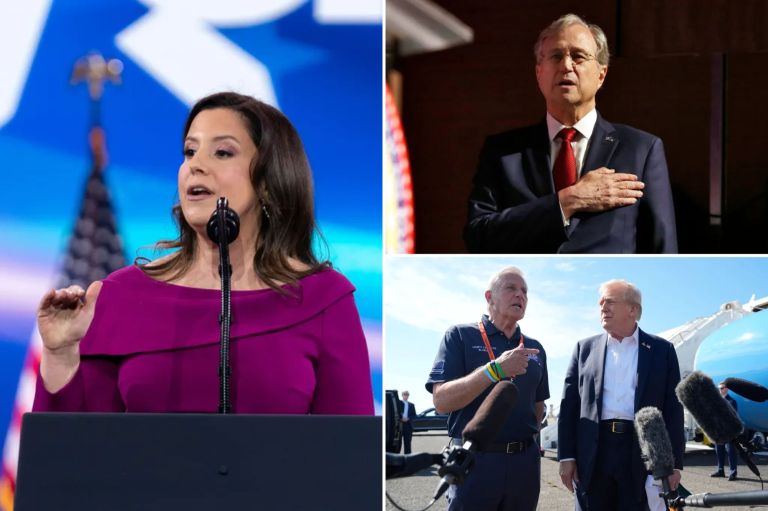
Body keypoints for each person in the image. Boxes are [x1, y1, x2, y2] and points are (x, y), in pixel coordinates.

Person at [33, 91, 374, 415]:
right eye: (190, 152)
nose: (195, 165)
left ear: (269, 181)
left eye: (222, 152)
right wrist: (60, 352)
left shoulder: (323, 299)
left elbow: (348, 455)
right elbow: (78, 451)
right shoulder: (121, 296)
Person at [464, 13, 677, 254]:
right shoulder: (503, 152)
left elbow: (663, 248)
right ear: (539, 73)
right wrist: (567, 201)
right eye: (556, 56)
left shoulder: (641, 149)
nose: (566, 66)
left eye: (578, 56)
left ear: (601, 74)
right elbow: (477, 236)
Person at [426, 267, 548, 511]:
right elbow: (441, 401)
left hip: (523, 465)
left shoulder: (535, 348)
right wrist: (494, 371)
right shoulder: (460, 336)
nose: (520, 295)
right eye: (511, 288)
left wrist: (529, 448)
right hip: (475, 463)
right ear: (489, 296)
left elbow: (538, 407)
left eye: (524, 291)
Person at [558, 280, 685, 511]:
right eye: (601, 303)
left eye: (610, 302)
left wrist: (674, 464)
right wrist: (566, 456)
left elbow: (673, 408)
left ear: (633, 310)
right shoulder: (583, 349)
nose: (603, 308)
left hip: (640, 452)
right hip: (594, 453)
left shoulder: (661, 350)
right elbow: (569, 406)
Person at [711, 382, 739, 480]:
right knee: (719, 451)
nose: (720, 390)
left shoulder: (732, 401)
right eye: (719, 388)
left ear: (727, 389)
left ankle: (733, 472)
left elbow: (732, 416)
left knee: (731, 451)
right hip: (718, 431)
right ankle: (720, 470)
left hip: (728, 431)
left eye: (722, 388)